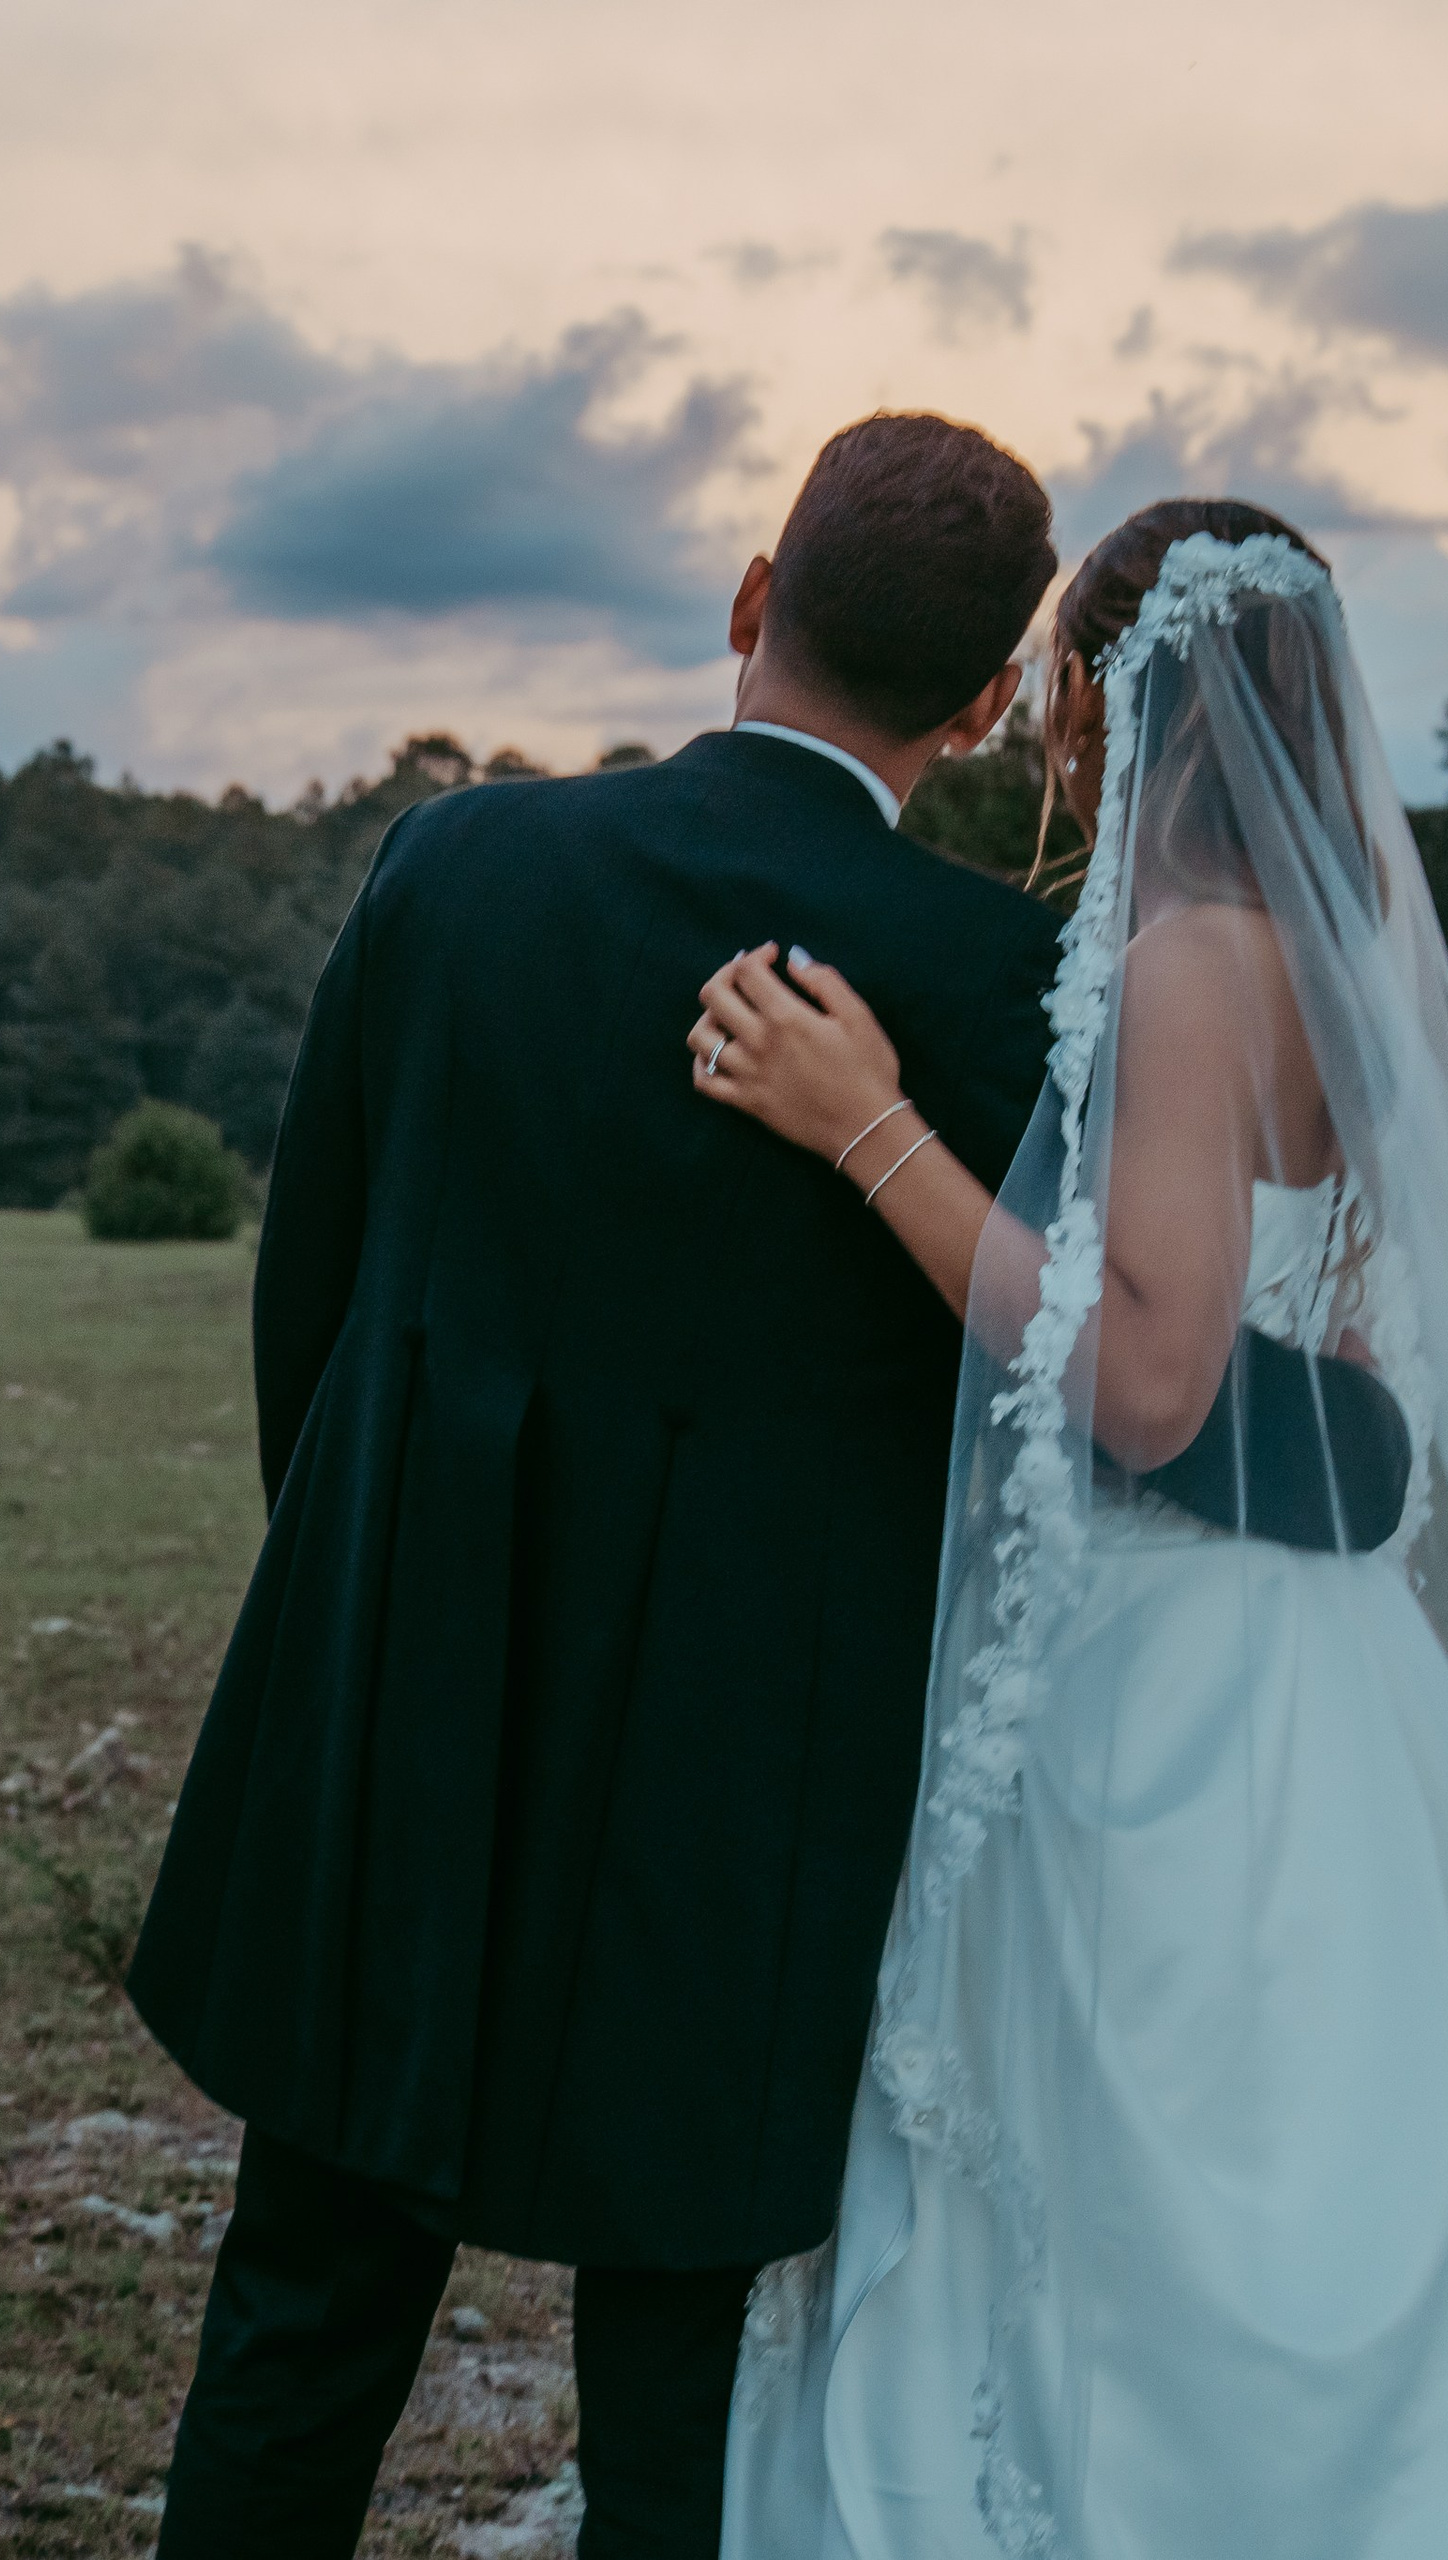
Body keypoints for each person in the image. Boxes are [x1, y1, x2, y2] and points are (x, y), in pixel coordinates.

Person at [128, 412, 1071, 2560]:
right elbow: (1009, 1403)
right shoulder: (995, 980)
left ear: (750, 594)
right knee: (681, 2399)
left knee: (300, 2314)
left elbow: (320, 1288)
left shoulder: (455, 864)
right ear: (986, 701)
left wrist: (371, 1568)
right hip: (749, 1777)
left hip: (409, 1680)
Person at [699, 505, 1448, 2555]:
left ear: (1108, 702)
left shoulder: (1193, 959)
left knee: (1123, 2184)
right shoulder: (1363, 952)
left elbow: (1148, 1381)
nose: (1046, 738)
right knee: (1305, 2147)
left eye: (1057, 695)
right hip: (1331, 1656)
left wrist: (865, 1130)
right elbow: (1355, 1375)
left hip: (1161, 1678)